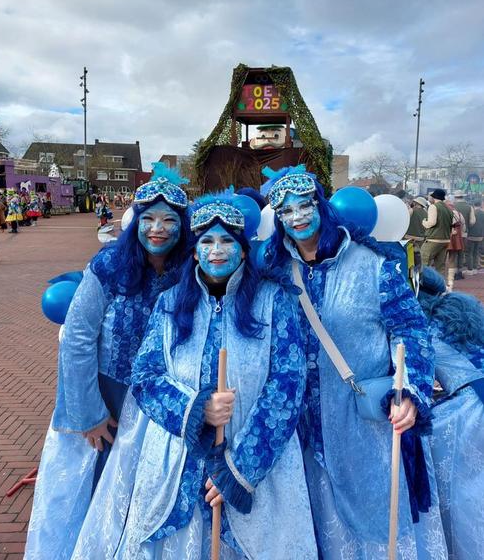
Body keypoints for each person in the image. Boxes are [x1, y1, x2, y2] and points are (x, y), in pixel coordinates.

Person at [71, 191, 317, 560]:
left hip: (256, 464)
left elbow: (287, 383)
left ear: (243, 249)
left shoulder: (274, 300)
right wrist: (197, 409)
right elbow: (146, 375)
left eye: (226, 241)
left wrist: (240, 469)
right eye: (206, 241)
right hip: (175, 461)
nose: (217, 250)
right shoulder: (170, 303)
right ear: (195, 250)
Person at [259, 165, 446, 559]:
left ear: (321, 206)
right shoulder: (275, 271)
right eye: (286, 210)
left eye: (305, 204)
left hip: (363, 429)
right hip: (301, 435)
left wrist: (409, 390)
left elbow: (411, 331)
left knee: (374, 529)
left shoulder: (374, 265)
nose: (297, 217)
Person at [25, 165, 191, 560]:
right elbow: (78, 339)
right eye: (148, 218)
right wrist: (89, 413)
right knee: (94, 492)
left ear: (183, 227)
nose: (158, 229)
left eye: (169, 220)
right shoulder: (108, 266)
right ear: (135, 222)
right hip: (106, 398)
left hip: (156, 405)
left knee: (140, 498)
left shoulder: (189, 271)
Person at [418, 268, 484, 558]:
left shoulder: (421, 327)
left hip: (470, 406)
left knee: (464, 496)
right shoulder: (463, 306)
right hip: (475, 394)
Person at [421, 188, 453, 276]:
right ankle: (441, 286)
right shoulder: (448, 209)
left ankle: (423, 285)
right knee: (440, 266)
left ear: (434, 197)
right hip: (445, 240)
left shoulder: (433, 206)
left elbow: (432, 222)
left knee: (423, 262)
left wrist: (424, 222)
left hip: (433, 239)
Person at [453, 190, 476, 278]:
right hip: (464, 233)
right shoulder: (469, 207)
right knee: (461, 252)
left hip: (453, 233)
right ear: (463, 197)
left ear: (455, 197)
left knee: (453, 253)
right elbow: (472, 221)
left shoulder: (452, 206)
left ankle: (453, 271)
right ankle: (460, 271)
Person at [444, 199, 465, 292]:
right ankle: (450, 282)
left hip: (445, 237)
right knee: (452, 259)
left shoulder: (444, 213)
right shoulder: (459, 214)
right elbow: (463, 226)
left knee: (443, 259)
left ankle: (444, 282)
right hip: (456, 238)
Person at [404, 196, 428, 266]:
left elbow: (405, 220)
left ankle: (410, 270)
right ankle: (418, 269)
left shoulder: (412, 210)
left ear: (416, 203)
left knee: (409, 255)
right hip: (421, 238)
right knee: (418, 254)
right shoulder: (426, 213)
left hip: (409, 236)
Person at [466, 199, 484, 274]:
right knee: (476, 252)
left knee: (470, 252)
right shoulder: (483, 213)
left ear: (473, 205)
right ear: (480, 205)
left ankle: (470, 269)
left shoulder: (472, 213)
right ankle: (475, 268)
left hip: (471, 235)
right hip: (480, 235)